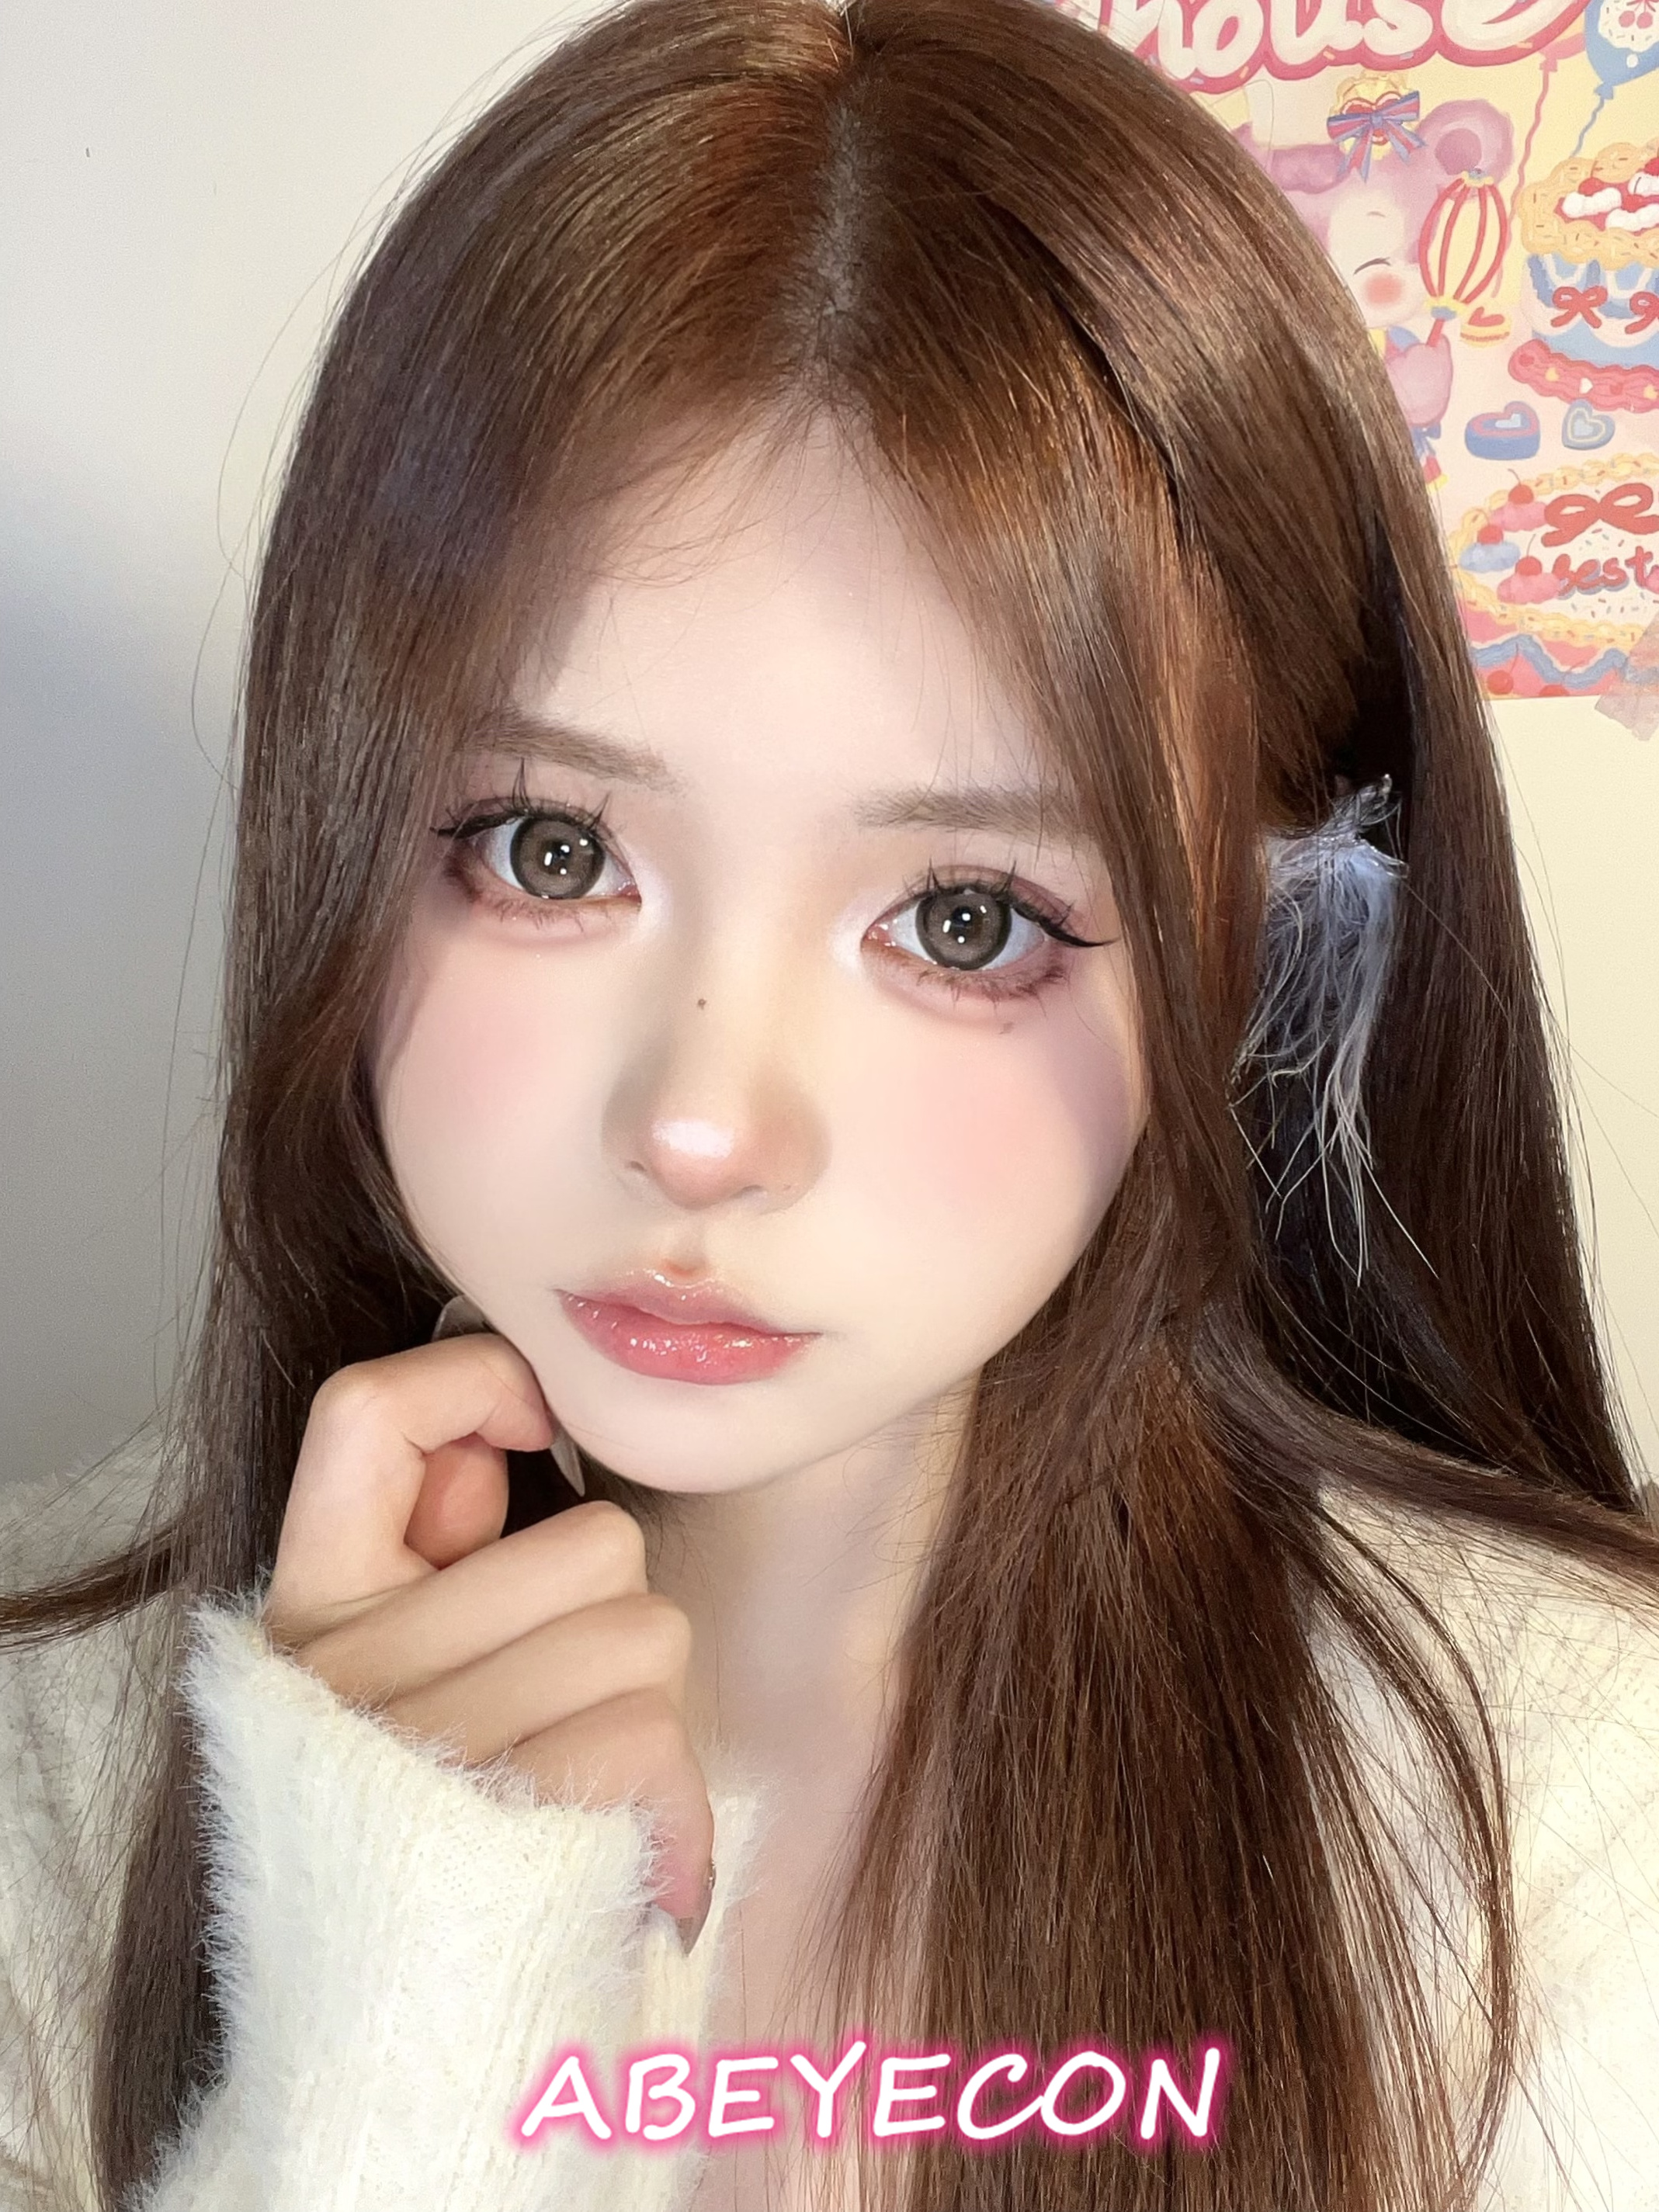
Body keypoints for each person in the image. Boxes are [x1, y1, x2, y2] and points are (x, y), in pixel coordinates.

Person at [4, 0, 1658, 2207]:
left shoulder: (1564, 1834)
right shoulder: (46, 1789)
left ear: (1270, 945)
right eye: (551, 851)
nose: (703, 1128)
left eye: (965, 920)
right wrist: (394, 2010)